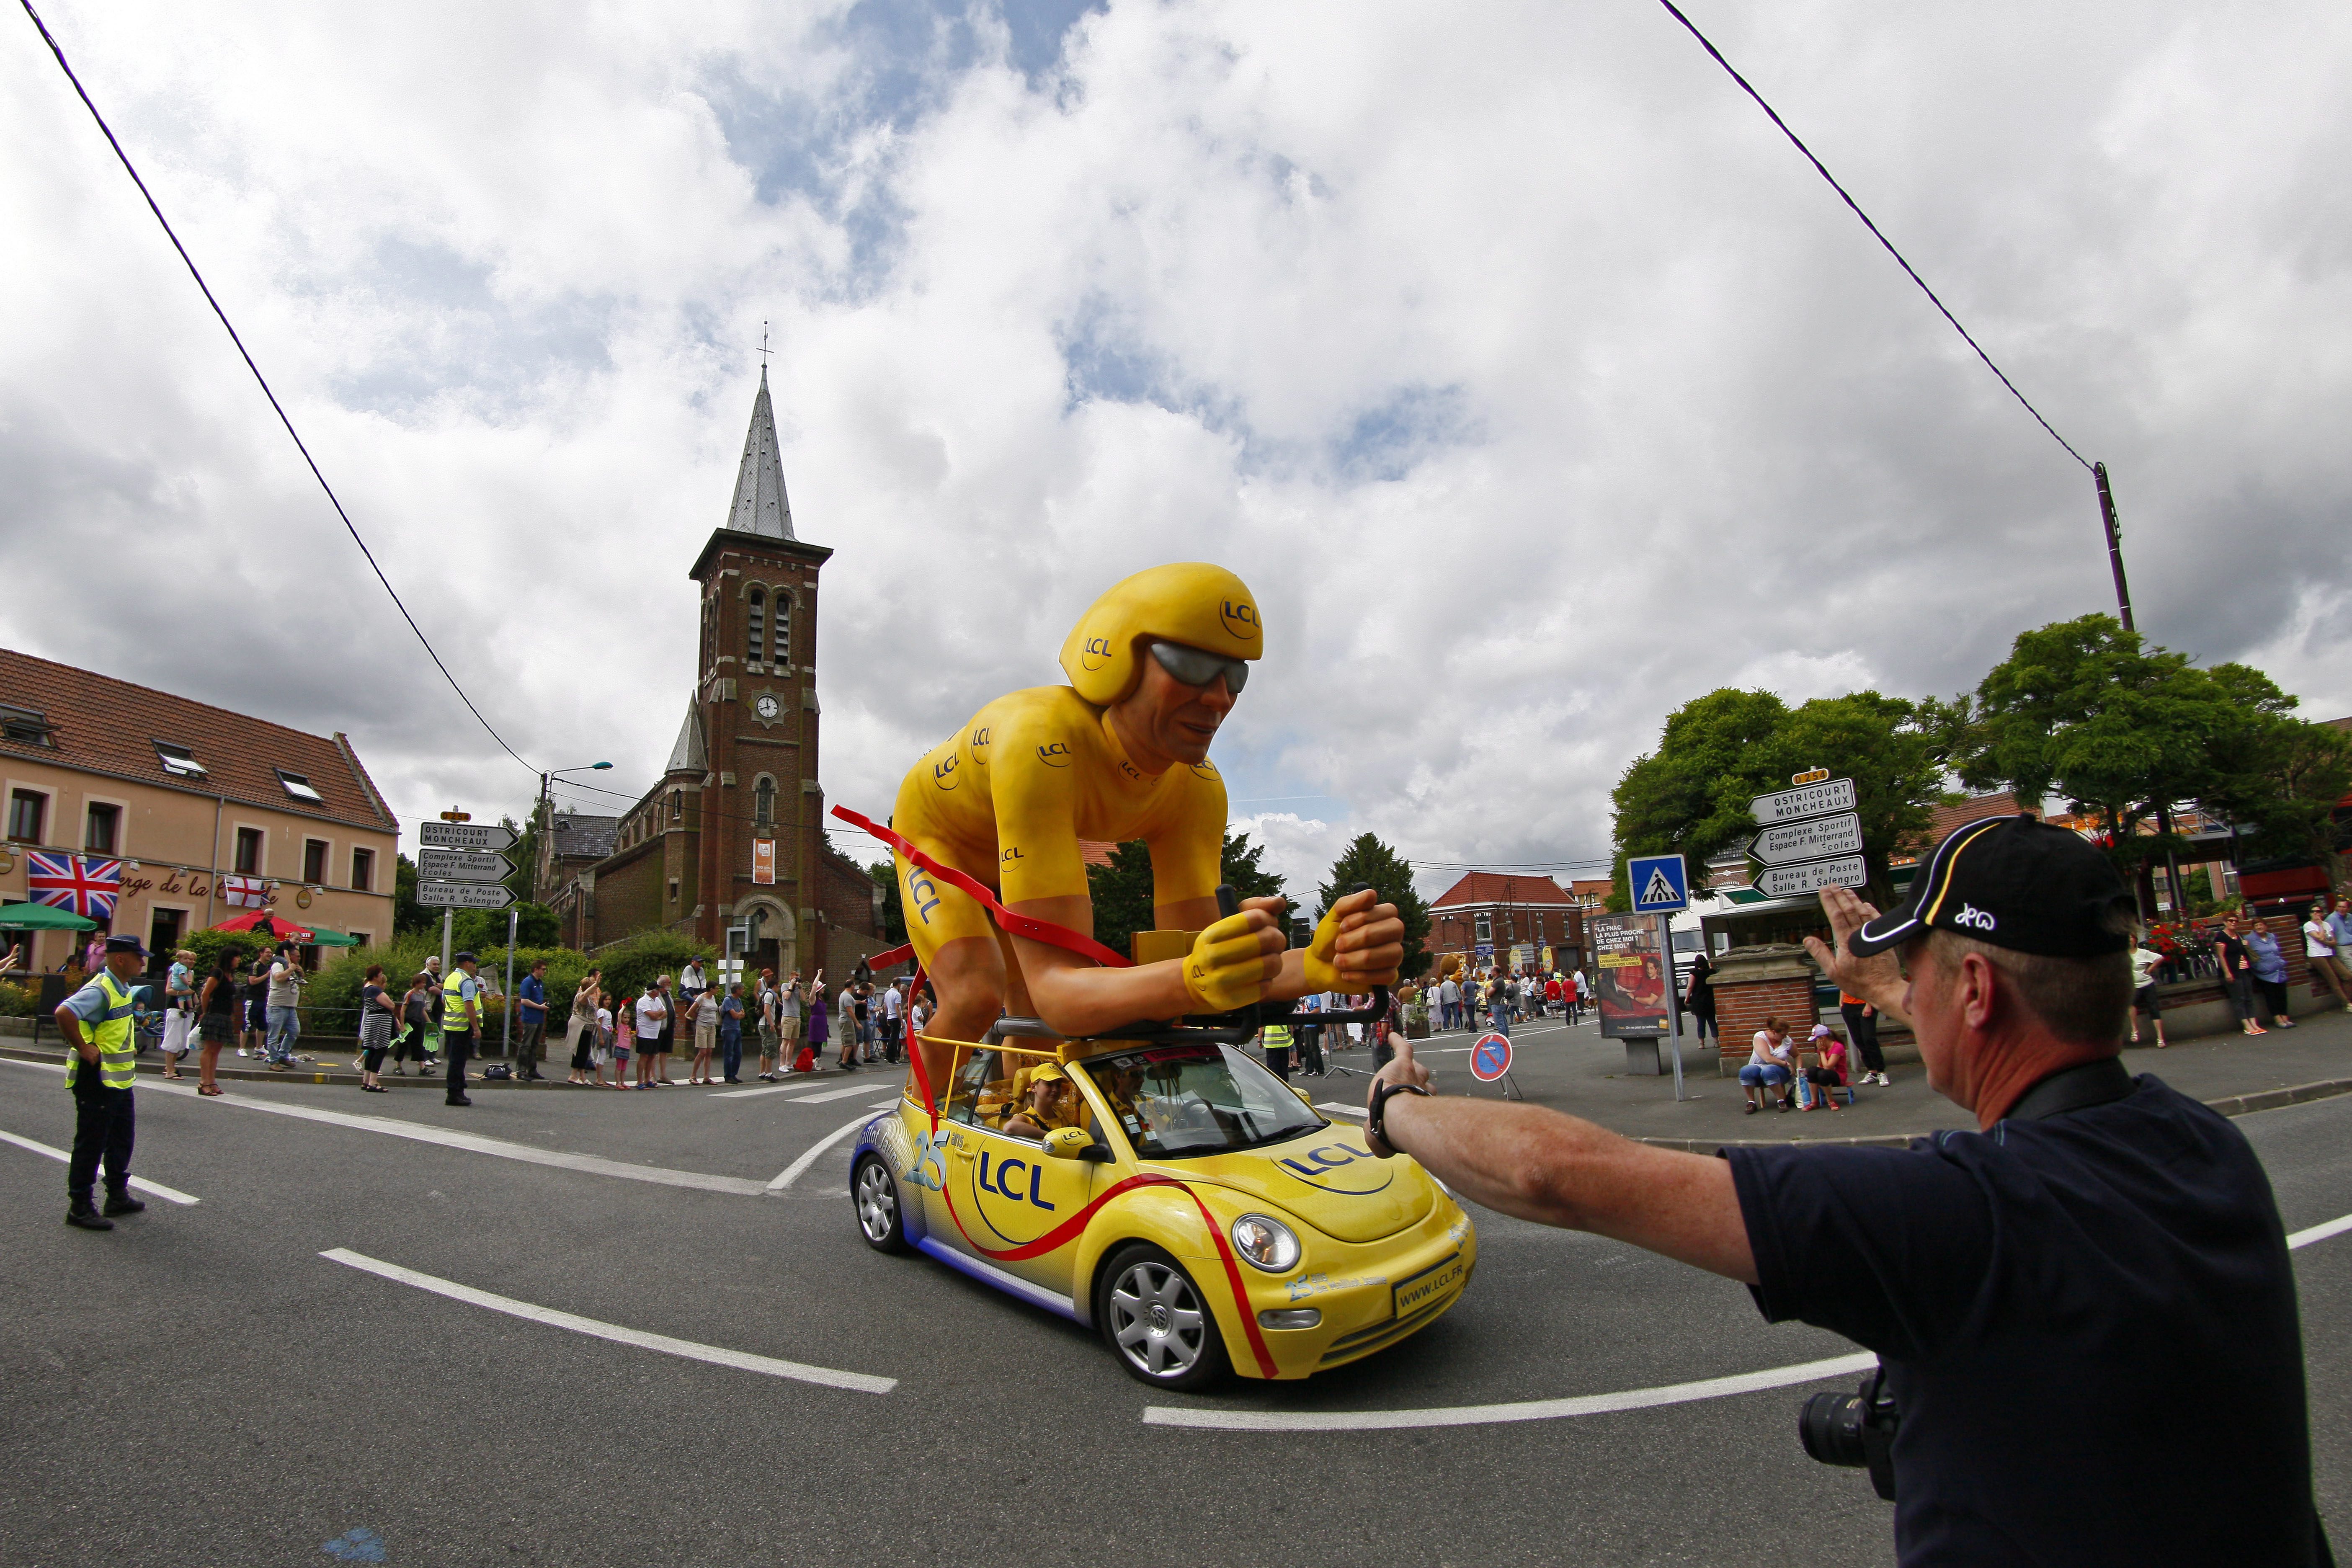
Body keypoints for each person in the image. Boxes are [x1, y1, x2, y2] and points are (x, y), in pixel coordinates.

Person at [1362, 814, 2330, 1565]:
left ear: (1980, 990)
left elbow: (1558, 1174)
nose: (1910, 983)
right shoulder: (2203, 1147)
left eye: (1922, 966)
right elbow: (2015, 1024)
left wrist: (1396, 1108)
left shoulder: (1969, 1214)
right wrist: (1894, 990)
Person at [880, 564, 1404, 1099]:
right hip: (943, 837)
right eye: (1194, 666)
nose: (1221, 698)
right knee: (975, 996)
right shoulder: (1037, 743)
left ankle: (1022, 1116)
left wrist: (1316, 966)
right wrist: (1191, 978)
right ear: (1119, 659)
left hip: (1016, 838)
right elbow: (1067, 992)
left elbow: (1195, 958)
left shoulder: (1196, 787)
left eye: (1237, 676)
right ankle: (923, 1122)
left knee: (1032, 1024)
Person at [54, 934, 150, 1230]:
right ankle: (80, 1206)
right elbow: (64, 1012)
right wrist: (84, 1047)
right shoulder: (100, 989)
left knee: (122, 1138)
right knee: (92, 1142)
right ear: (120, 959)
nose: (143, 961)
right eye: (138, 956)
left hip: (119, 1079)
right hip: (96, 1078)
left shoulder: (122, 989)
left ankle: (117, 1196)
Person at [439, 951, 482, 1105]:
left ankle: (458, 1091)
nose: (475, 967)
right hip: (463, 1027)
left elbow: (444, 1000)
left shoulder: (450, 978)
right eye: (474, 963)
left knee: (455, 1060)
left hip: (450, 1024)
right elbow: (469, 1005)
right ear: (467, 964)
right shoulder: (467, 981)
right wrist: (476, 1028)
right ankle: (454, 1094)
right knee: (458, 1062)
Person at [1001, 1062, 1085, 1139]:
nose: (1055, 1089)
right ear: (1034, 1087)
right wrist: (1051, 1137)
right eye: (1049, 1084)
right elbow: (1010, 1127)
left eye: (1058, 1085)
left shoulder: (1062, 1113)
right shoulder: (1026, 1119)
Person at [2214, 913, 2265, 1036]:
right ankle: (2247, 1025)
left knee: (2249, 998)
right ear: (2225, 922)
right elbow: (2221, 956)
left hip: (2245, 970)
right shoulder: (2221, 937)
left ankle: (2254, 1023)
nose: (2233, 923)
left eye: (2236, 921)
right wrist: (2227, 973)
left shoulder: (2239, 936)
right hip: (2233, 972)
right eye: (2231, 921)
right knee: (2239, 999)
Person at [193, 955, 236, 1096]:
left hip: (225, 1015)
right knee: (209, 1049)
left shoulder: (230, 975)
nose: (238, 960)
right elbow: (206, 994)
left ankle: (212, 1081)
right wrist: (205, 1012)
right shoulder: (217, 972)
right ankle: (203, 1082)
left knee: (216, 1050)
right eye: (236, 957)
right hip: (214, 1014)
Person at [2302, 900, 2352, 1013]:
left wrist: (2326, 941)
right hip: (2316, 955)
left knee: (2348, 976)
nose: (2316, 914)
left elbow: (2334, 941)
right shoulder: (2308, 926)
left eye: (2318, 911)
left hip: (2329, 953)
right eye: (2313, 912)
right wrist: (2320, 926)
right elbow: (2319, 938)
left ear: (2322, 913)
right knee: (2333, 979)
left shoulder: (2327, 925)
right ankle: (2348, 1004)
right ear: (2310, 914)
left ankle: (2348, 1001)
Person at [2247, 916, 2296, 1030]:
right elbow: (2249, 956)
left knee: (2282, 996)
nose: (2259, 927)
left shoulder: (2272, 936)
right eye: (2257, 926)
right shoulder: (2249, 939)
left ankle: (2285, 1018)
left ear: (2266, 926)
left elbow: (2276, 951)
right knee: (2271, 997)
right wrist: (2258, 967)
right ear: (2254, 928)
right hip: (2264, 973)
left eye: (2261, 925)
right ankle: (2278, 1019)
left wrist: (2281, 962)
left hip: (2279, 971)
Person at [354, 964, 397, 1093]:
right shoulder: (374, 990)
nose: (382, 977)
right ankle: (373, 1082)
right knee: (380, 1050)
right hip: (380, 1022)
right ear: (375, 977)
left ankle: (366, 1081)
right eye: (380, 975)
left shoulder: (367, 988)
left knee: (372, 1050)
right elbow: (391, 1005)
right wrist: (392, 1004)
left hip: (373, 1020)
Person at [1739, 1016, 1793, 1114]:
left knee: (1768, 1071)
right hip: (1760, 1067)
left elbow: (1797, 1055)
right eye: (1783, 1035)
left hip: (1779, 1070)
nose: (1785, 1037)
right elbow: (1767, 1059)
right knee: (1745, 1071)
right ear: (1773, 1032)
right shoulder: (1760, 1037)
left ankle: (1781, 1101)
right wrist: (1787, 1064)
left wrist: (1799, 1069)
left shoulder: (1787, 1040)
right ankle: (1751, 1102)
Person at [265, 944, 306, 1069]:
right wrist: (290, 969)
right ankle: (273, 1061)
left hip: (290, 1007)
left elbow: (301, 981)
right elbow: (279, 978)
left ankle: (283, 1055)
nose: (299, 959)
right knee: (274, 1035)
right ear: (290, 956)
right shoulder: (278, 965)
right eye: (297, 956)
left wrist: (300, 972)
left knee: (294, 1031)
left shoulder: (294, 967)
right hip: (277, 1006)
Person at [159, 947, 196, 1079]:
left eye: (192, 960)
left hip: (187, 1010)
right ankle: (169, 1070)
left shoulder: (190, 973)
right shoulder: (175, 972)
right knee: (173, 1040)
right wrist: (183, 993)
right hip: (175, 1009)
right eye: (187, 959)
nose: (190, 962)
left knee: (181, 1041)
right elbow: (168, 991)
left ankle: (172, 1067)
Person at [1839, 987, 1888, 1086]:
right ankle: (1872, 1071)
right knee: (1858, 1040)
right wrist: (1841, 1002)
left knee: (1869, 1038)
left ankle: (1881, 1072)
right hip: (1849, 1006)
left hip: (1865, 1004)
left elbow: (1870, 987)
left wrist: (1868, 1005)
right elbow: (1842, 986)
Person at [2128, 932, 2169, 1048]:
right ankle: (2135, 1030)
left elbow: (2159, 958)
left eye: (2131, 938)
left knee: (2154, 1008)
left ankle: (2160, 1038)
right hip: (2134, 985)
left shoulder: (2143, 953)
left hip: (2147, 984)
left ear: (2135, 940)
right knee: (2130, 1004)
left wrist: (2150, 969)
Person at [513, 959, 549, 1081]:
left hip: (539, 1018)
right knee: (526, 1045)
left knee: (535, 1045)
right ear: (536, 970)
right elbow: (524, 1000)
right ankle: (521, 1070)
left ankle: (532, 1069)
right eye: (543, 969)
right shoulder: (528, 982)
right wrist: (540, 1007)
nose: (545, 972)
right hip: (530, 1018)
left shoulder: (540, 983)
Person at [1800, 1022, 1847, 1112]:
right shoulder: (1822, 1049)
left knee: (1823, 1074)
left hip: (1839, 1075)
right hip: (1826, 1073)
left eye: (1816, 1040)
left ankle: (1831, 1101)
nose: (1816, 1043)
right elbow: (1820, 1065)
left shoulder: (1837, 1047)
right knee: (1812, 1070)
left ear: (1823, 1038)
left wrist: (1822, 1052)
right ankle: (1814, 1102)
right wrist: (1812, 1075)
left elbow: (1828, 1067)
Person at [688, 982, 721, 1085]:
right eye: (716, 988)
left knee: (710, 1052)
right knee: (702, 1052)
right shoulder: (701, 998)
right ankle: (693, 1076)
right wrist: (697, 1018)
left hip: (712, 1027)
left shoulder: (713, 998)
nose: (718, 990)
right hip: (702, 1027)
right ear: (711, 989)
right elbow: (691, 1011)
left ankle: (706, 1077)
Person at [1684, 949, 1717, 1049]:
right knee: (1712, 1021)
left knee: (1701, 1023)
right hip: (1710, 1000)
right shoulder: (1711, 972)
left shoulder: (1694, 973)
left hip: (1698, 1001)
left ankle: (1702, 1043)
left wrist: (1687, 998)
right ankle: (1716, 1041)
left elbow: (1690, 986)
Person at [717, 982, 747, 1084]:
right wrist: (739, 1014)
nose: (743, 991)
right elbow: (735, 1016)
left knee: (738, 1054)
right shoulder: (728, 1000)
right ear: (737, 990)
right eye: (742, 989)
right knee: (729, 1053)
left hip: (737, 1029)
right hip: (729, 1029)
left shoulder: (738, 1000)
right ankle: (728, 1075)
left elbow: (743, 1014)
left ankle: (734, 1074)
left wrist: (739, 1014)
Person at [754, 968, 781, 1080]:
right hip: (766, 1025)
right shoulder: (770, 995)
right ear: (774, 986)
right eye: (778, 986)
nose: (779, 988)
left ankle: (763, 1072)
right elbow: (767, 1011)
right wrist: (771, 1025)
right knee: (771, 1048)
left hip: (763, 1024)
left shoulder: (768, 994)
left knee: (765, 1049)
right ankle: (769, 1072)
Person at [802, 980, 828, 1073]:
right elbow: (813, 988)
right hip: (816, 1022)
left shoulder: (821, 999)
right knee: (815, 1043)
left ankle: (818, 1062)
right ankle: (813, 1062)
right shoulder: (813, 1000)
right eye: (822, 988)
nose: (824, 990)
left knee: (820, 1044)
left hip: (822, 1021)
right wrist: (819, 975)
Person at [879, 977, 905, 1065]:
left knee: (891, 1038)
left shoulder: (888, 993)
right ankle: (892, 1059)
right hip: (895, 1017)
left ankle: (888, 1056)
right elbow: (897, 1008)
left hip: (890, 1016)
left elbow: (886, 1006)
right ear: (899, 984)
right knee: (895, 1039)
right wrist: (901, 1020)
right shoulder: (897, 995)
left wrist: (887, 1017)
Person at [1260, 1016, 1293, 1081]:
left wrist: (1259, 1040)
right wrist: (1292, 1035)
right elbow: (1290, 1023)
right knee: (1284, 1067)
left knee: (1273, 1068)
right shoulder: (1284, 1010)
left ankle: (1276, 1085)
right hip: (1284, 1043)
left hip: (1271, 1044)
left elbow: (1261, 1028)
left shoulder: (1267, 1013)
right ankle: (1285, 1085)